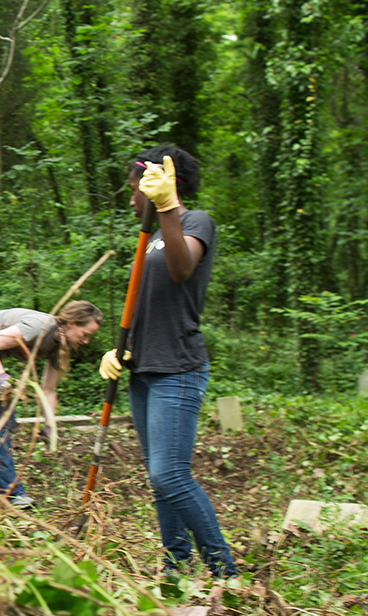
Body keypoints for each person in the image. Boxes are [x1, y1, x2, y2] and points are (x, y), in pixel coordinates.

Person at [100, 145, 237, 577]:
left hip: (178, 368)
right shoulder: (151, 237)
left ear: (160, 182)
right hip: (145, 369)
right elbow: (148, 303)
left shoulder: (194, 222)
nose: (130, 198)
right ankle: (175, 567)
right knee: (159, 480)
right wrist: (123, 348)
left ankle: (225, 573)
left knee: (169, 476)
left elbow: (181, 272)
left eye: (134, 187)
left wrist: (169, 207)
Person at [0, 302, 103, 507]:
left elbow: (48, 389)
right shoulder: (41, 326)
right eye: (85, 334)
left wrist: (50, 424)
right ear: (72, 323)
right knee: (2, 418)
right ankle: (12, 493)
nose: (85, 341)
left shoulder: (59, 347)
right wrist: (1, 377)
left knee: (2, 420)